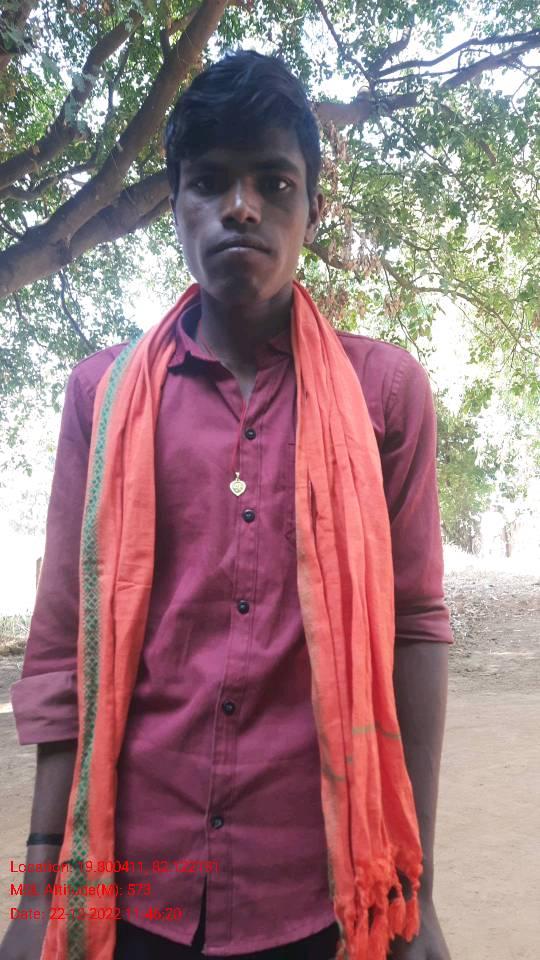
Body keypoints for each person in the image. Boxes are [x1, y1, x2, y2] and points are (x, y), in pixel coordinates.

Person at [2, 49, 453, 960]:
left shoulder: (384, 395)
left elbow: (415, 628)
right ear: (175, 205)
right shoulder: (103, 395)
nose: (240, 207)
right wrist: (38, 890)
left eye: (273, 183)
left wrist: (413, 888)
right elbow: (63, 642)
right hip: (135, 886)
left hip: (317, 890)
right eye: (208, 182)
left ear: (313, 210)